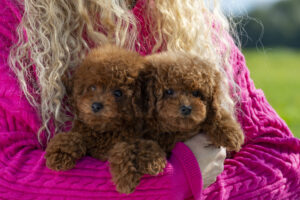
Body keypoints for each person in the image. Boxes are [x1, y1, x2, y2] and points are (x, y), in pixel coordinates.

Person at [0, 0, 299, 199]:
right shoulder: (17, 16)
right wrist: (176, 180)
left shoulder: (190, 19)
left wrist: (205, 182)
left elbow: (282, 158)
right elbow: (8, 173)